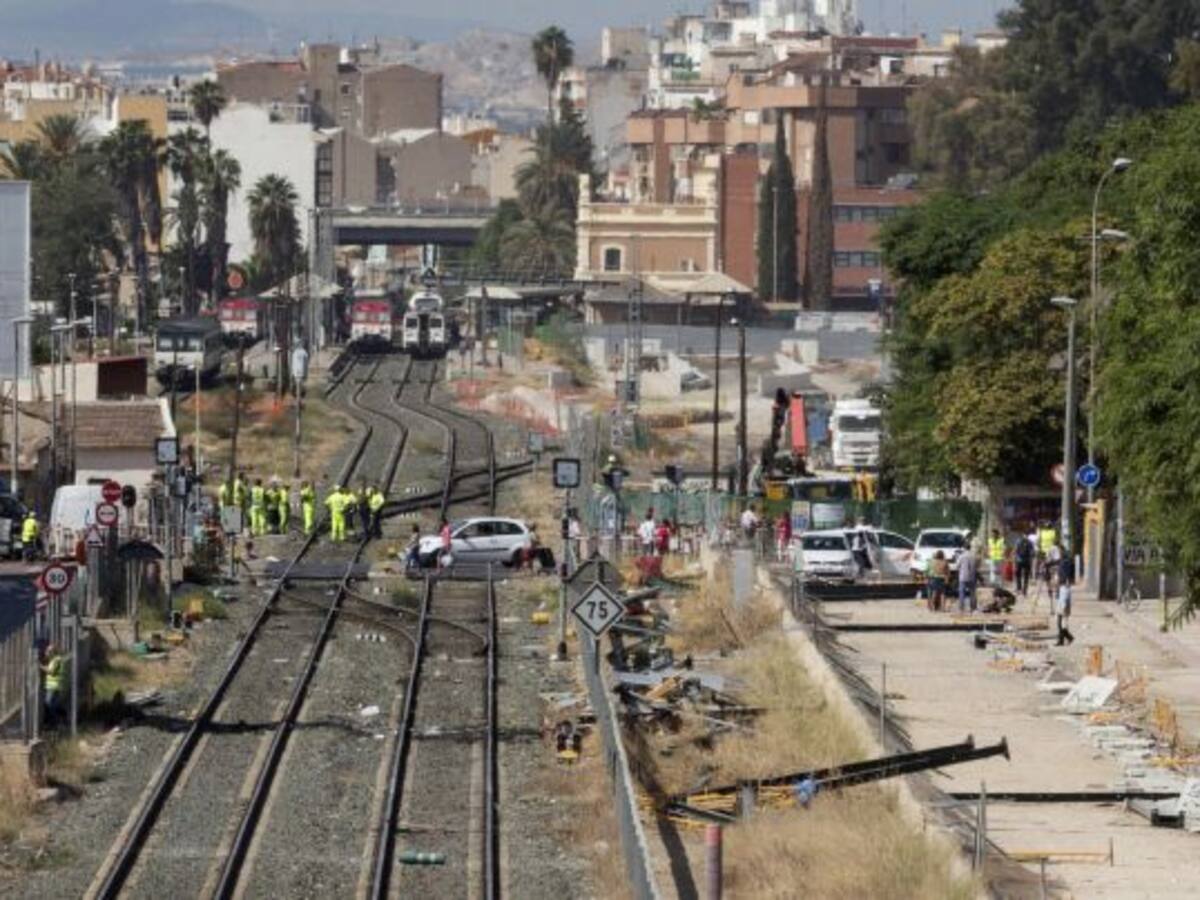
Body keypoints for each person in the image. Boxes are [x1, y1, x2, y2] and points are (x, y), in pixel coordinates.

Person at [1055, 544, 1076, 646]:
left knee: (1061, 617)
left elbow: (1067, 580)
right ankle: (1064, 639)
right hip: (1061, 590)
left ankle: (1066, 638)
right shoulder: (1063, 561)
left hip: (1064, 590)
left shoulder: (1066, 562)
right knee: (1061, 618)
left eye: (1058, 552)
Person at [41, 642, 64, 725]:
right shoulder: (54, 660)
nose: (46, 652)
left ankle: (54, 722)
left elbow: (51, 671)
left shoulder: (56, 660)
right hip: (54, 686)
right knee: (53, 705)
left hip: (53, 686)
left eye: (48, 651)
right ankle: (56, 721)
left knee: (48, 705)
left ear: (52, 652)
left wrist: (40, 667)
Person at [957, 543, 978, 614]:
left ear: (964, 548)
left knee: (962, 593)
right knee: (973, 593)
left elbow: (957, 565)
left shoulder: (961, 556)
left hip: (963, 577)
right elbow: (976, 566)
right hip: (972, 576)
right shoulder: (973, 556)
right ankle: (973, 608)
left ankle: (961, 608)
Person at [1014, 531, 1035, 596]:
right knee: (1024, 576)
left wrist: (1016, 559)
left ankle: (1020, 588)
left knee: (1019, 575)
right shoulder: (1030, 542)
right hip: (1026, 561)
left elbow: (1016, 551)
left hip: (1020, 561)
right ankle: (1023, 589)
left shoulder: (1018, 542)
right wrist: (1030, 558)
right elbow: (1032, 552)